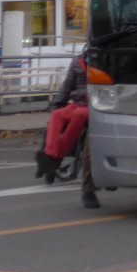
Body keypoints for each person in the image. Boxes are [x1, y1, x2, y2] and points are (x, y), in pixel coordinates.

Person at [36, 50, 100, 208]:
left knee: (78, 116)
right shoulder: (76, 62)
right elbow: (67, 86)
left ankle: (56, 157)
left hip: (92, 106)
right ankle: (50, 156)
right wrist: (58, 102)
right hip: (77, 102)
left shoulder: (102, 63)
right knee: (57, 115)